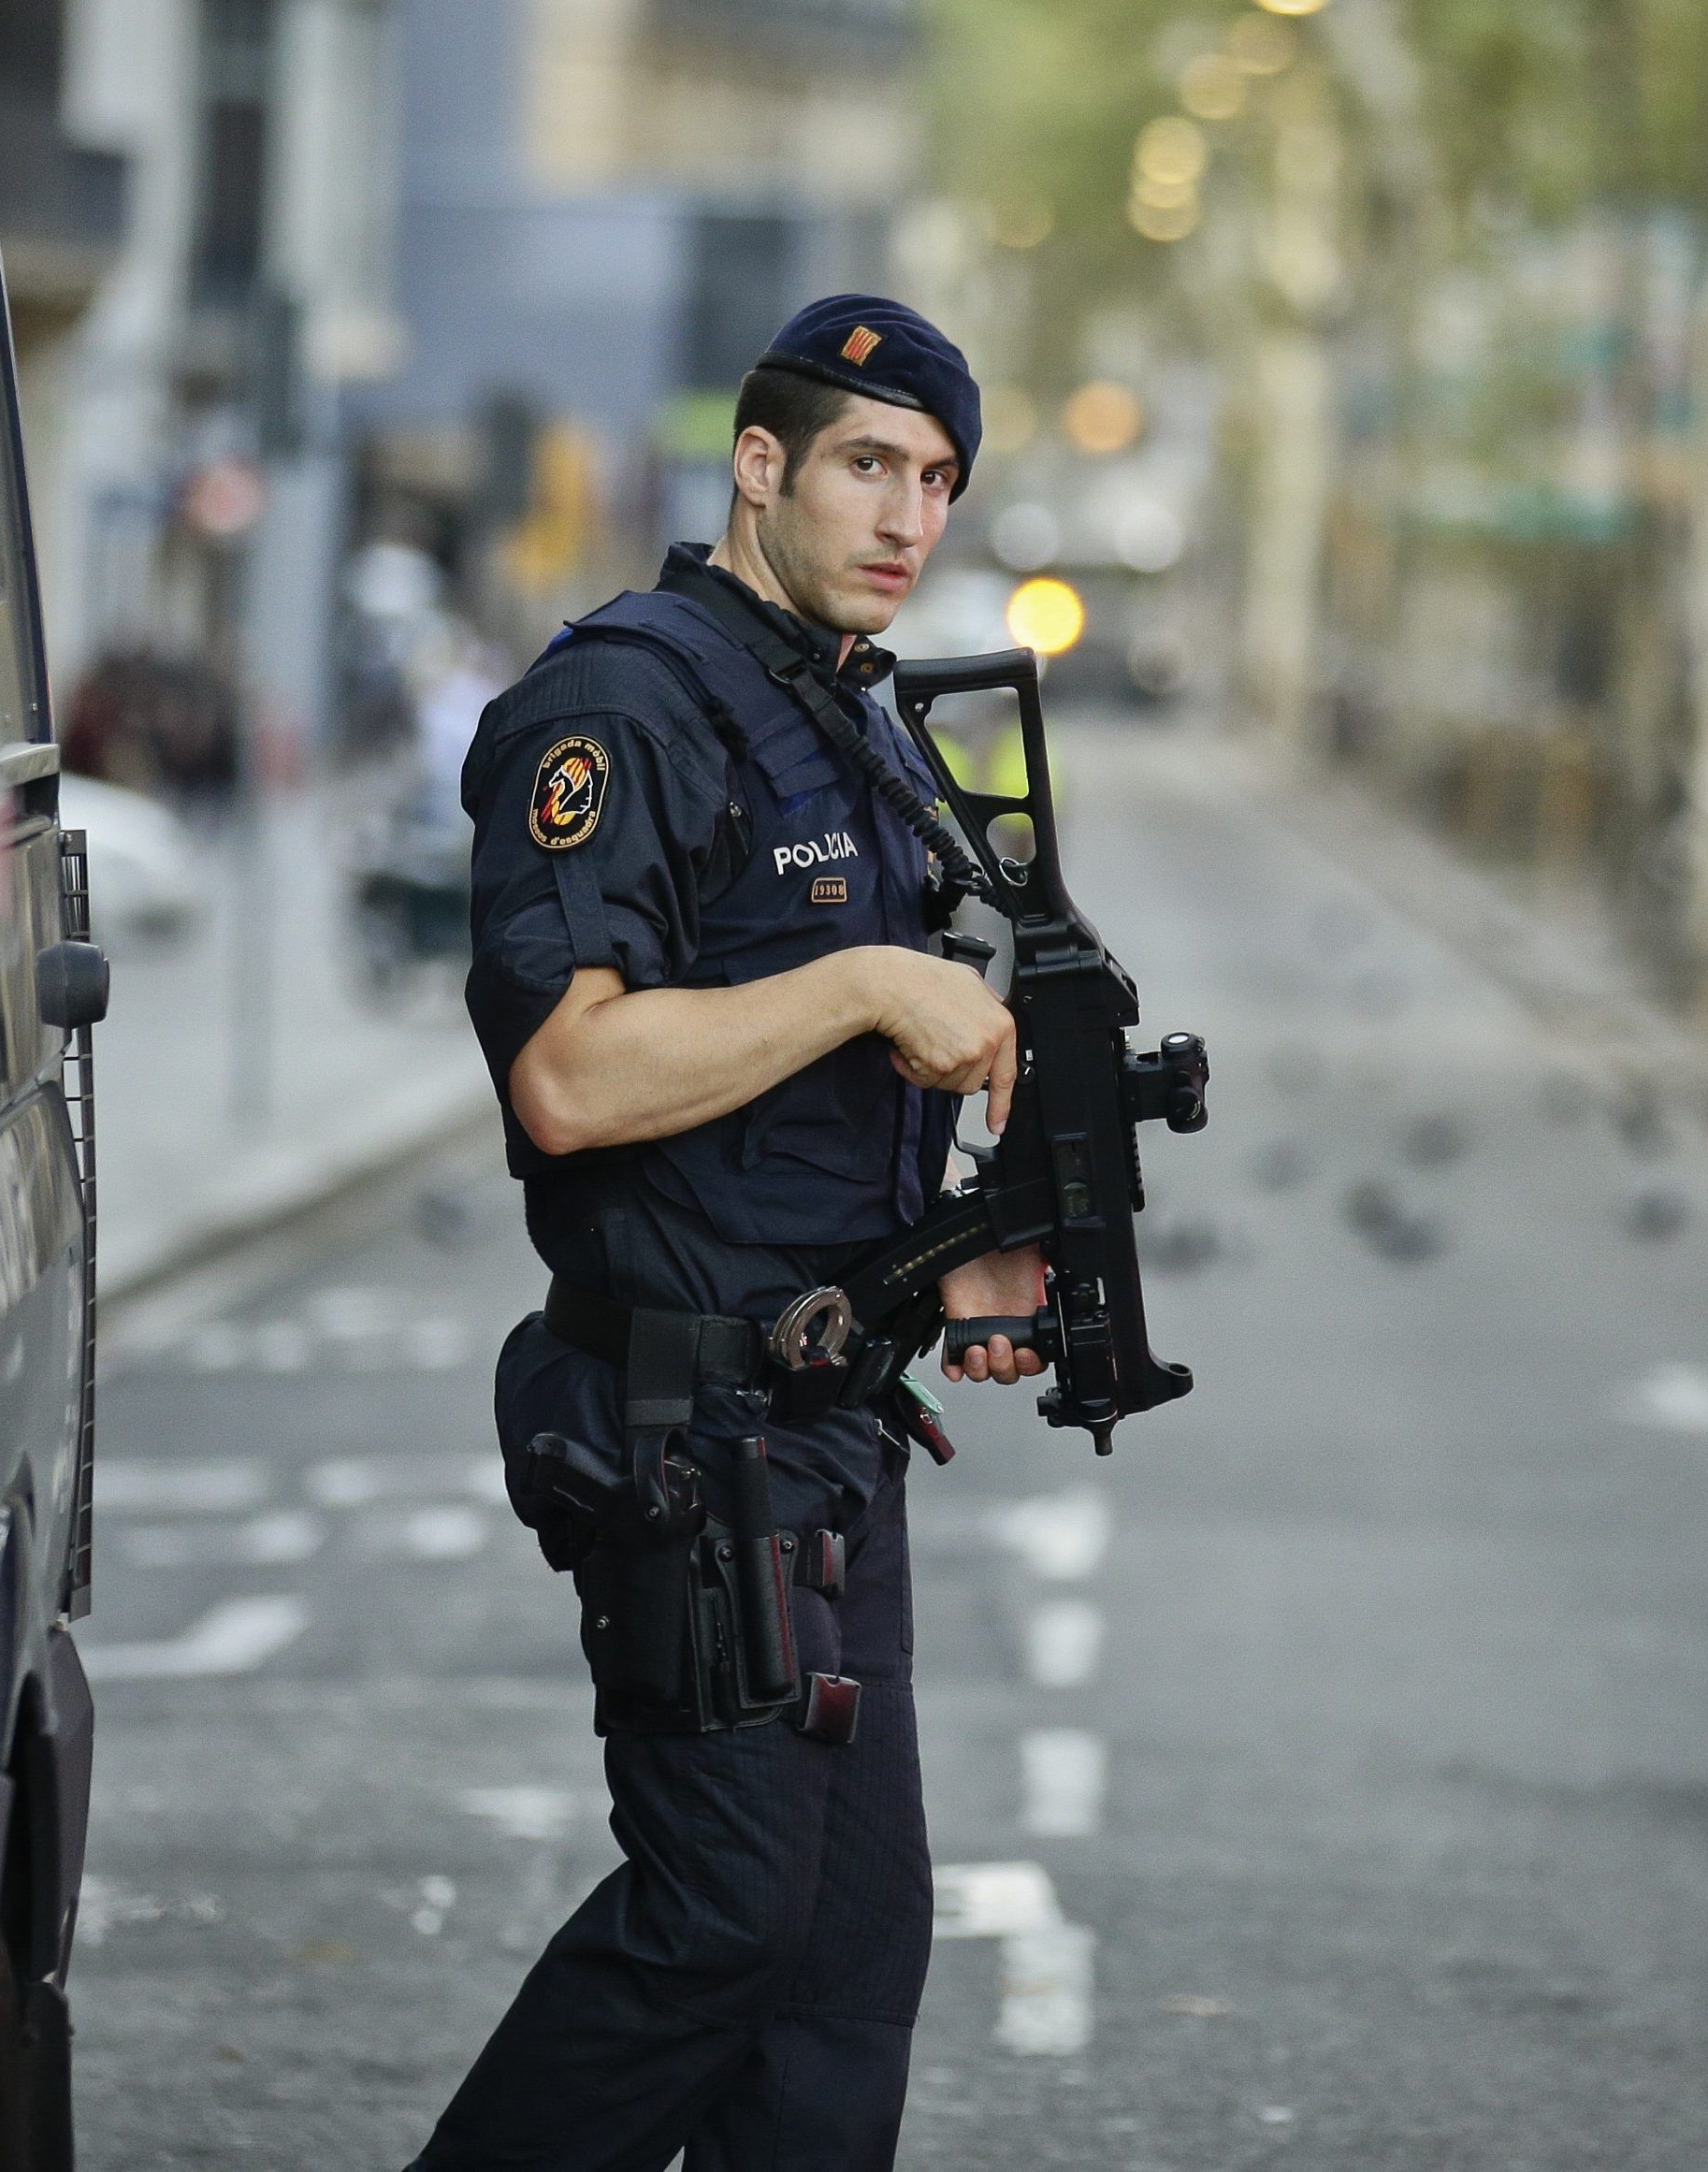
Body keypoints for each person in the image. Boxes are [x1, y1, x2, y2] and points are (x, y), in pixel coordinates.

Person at [410, 296, 1051, 2172]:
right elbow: (573, 1077)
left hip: (829, 1428)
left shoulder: (848, 721)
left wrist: (971, 1251)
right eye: (866, 463)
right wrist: (863, 980)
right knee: (718, 1926)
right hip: (692, 1438)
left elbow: (819, 1133)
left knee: (845, 1967)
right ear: (757, 465)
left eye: (935, 478)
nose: (906, 514)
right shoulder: (620, 703)